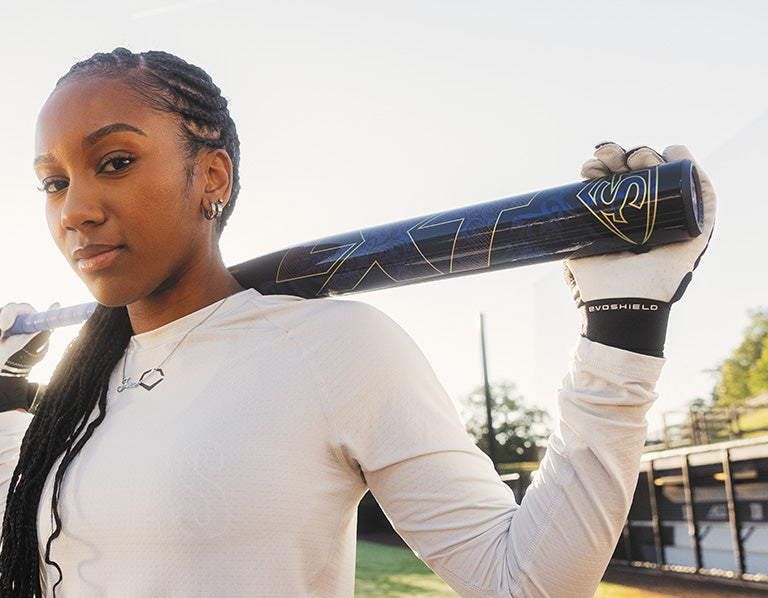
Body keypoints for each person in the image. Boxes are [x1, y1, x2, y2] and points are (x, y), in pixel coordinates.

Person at [0, 48, 715, 598]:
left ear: (211, 177)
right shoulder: (76, 392)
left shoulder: (331, 349)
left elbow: (521, 580)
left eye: (114, 162)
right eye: (54, 182)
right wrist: (5, 400)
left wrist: (622, 328)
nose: (75, 210)